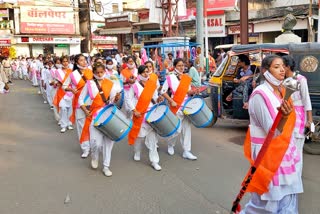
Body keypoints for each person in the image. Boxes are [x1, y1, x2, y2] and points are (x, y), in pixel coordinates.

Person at [240, 55, 302, 213]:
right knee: (266, 204)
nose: (282, 69)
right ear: (265, 71)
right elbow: (272, 133)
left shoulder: (280, 92)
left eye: (283, 66)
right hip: (267, 155)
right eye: (276, 67)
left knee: (286, 198)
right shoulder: (260, 94)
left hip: (283, 153)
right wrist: (285, 117)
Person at [78, 62, 120, 177]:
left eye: (101, 72)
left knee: (108, 142)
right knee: (95, 142)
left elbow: (112, 101)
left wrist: (116, 99)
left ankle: (106, 166)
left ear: (105, 71)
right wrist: (86, 111)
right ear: (93, 73)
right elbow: (80, 100)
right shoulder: (89, 84)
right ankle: (94, 157)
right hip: (94, 115)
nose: (100, 74)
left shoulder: (111, 83)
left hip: (108, 115)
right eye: (97, 72)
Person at [126, 65, 162, 171]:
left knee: (152, 137)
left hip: (151, 113)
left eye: (147, 72)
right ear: (139, 74)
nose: (146, 74)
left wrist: (158, 99)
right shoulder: (135, 86)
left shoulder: (152, 84)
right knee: (139, 136)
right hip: (139, 114)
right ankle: (137, 151)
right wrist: (134, 111)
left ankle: (154, 161)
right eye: (144, 72)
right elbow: (128, 99)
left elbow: (155, 97)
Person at [160, 58, 198, 160]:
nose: (181, 67)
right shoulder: (170, 77)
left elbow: (188, 91)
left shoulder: (186, 77)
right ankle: (170, 144)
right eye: (179, 66)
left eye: (183, 65)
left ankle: (187, 151)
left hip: (186, 106)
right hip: (176, 105)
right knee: (176, 130)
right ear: (175, 66)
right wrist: (170, 100)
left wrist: (194, 91)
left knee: (187, 128)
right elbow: (163, 92)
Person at [282, 55, 313, 178]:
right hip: (287, 117)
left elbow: (307, 100)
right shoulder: (282, 81)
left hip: (299, 118)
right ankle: (289, 176)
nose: (280, 69)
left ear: (288, 67)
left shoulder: (301, 79)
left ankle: (296, 177)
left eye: (282, 66)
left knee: (298, 150)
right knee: (288, 149)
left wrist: (309, 120)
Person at [62, 54, 93, 158]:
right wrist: (71, 89)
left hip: (92, 103)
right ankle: (85, 148)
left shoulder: (91, 71)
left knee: (91, 126)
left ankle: (93, 146)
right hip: (79, 103)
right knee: (81, 126)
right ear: (76, 62)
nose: (84, 62)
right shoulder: (73, 74)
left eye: (85, 60)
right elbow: (64, 86)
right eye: (81, 60)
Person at [54, 56, 74, 133]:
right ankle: (63, 125)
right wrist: (56, 83)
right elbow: (56, 81)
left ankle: (69, 124)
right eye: (63, 61)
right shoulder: (58, 71)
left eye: (66, 61)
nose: (65, 63)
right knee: (63, 108)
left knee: (70, 109)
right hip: (61, 92)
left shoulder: (71, 71)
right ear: (61, 62)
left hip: (70, 92)